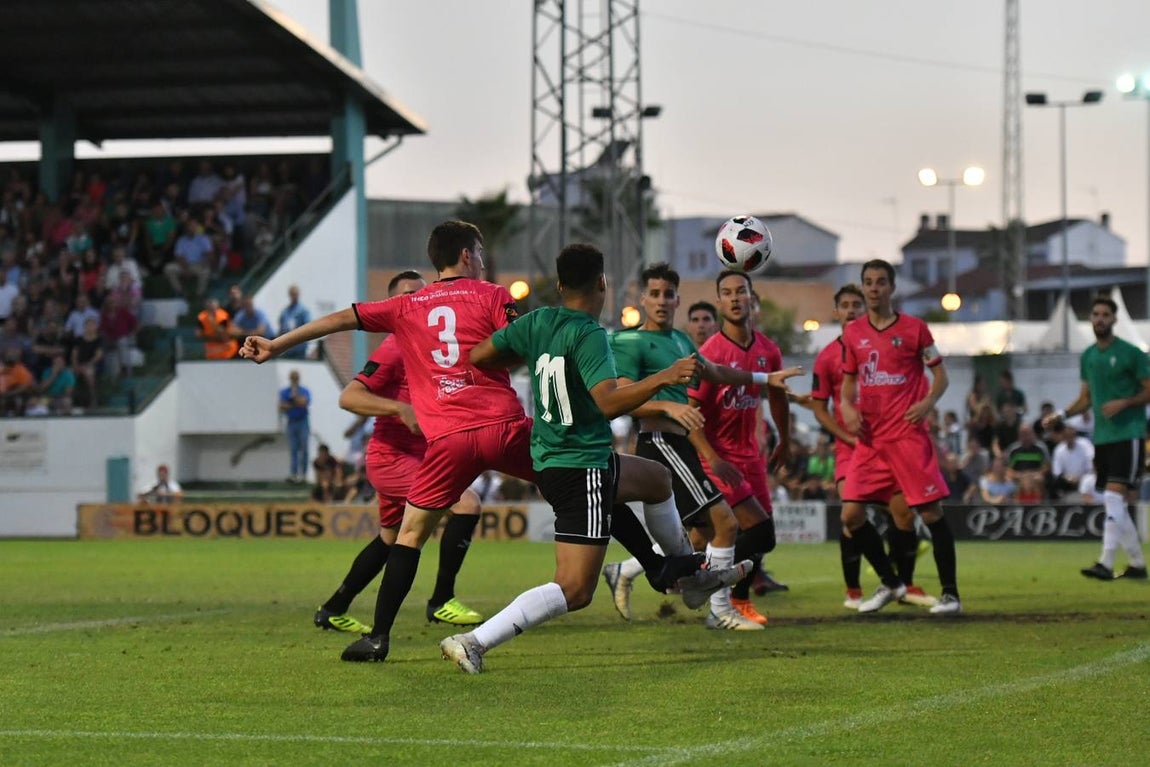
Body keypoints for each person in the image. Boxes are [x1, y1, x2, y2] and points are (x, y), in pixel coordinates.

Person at [243, 223, 727, 663]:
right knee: (591, 471)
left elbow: (340, 320)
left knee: (410, 535)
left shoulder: (405, 305)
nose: (481, 260)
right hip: (503, 427)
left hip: (448, 440)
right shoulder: (493, 295)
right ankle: (658, 567)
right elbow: (510, 345)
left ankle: (378, 637)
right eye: (479, 252)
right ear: (467, 254)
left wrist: (276, 343)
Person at [439, 243, 799, 673]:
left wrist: (535, 352)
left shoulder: (538, 320)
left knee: (656, 479)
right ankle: (475, 641)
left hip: (559, 457)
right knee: (574, 589)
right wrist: (664, 378)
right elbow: (609, 403)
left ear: (559, 285)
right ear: (602, 283)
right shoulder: (591, 334)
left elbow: (480, 355)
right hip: (580, 466)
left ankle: (689, 577)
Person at [602, 263, 794, 631]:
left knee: (700, 534)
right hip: (661, 442)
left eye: (668, 294)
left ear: (678, 300)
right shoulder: (628, 341)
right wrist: (667, 406)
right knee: (726, 523)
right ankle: (719, 609)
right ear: (642, 299)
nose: (662, 301)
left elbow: (716, 372)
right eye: (654, 294)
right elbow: (622, 398)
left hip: (680, 445)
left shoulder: (680, 341)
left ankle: (640, 574)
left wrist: (764, 377)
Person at [313, 270, 486, 635]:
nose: (416, 300)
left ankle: (333, 608)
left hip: (420, 457)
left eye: (420, 294)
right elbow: (349, 397)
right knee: (467, 504)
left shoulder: (433, 345)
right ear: (393, 304)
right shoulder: (394, 347)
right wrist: (399, 409)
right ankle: (441, 600)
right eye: (407, 295)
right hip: (391, 458)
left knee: (389, 538)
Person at [838, 260, 963, 615]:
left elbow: (941, 376)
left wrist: (927, 403)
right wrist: (847, 408)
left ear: (892, 288)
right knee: (850, 515)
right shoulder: (853, 333)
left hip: (908, 436)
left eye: (880, 282)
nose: (874, 288)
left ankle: (951, 595)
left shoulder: (915, 329)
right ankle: (892, 582)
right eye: (868, 282)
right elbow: (848, 384)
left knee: (931, 513)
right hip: (871, 441)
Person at [807, 284, 936, 610]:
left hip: (887, 443)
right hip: (850, 448)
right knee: (851, 516)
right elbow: (820, 409)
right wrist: (847, 436)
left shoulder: (884, 346)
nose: (851, 310)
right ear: (836, 312)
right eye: (845, 305)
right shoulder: (826, 357)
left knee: (903, 514)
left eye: (857, 304)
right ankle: (857, 589)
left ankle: (903, 584)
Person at [684, 269, 794, 625]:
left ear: (752, 298)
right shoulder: (710, 353)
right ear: (719, 302)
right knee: (757, 532)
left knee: (756, 538)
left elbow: (777, 397)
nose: (734, 298)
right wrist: (712, 458)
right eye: (727, 293)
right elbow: (690, 414)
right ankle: (721, 598)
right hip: (717, 459)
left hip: (751, 457)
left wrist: (785, 438)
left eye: (740, 291)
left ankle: (721, 591)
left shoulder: (768, 350)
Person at [1044, 294, 1150, 580]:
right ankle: (1137, 565)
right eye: (1096, 314)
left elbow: (1149, 389)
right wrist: (1061, 415)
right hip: (1102, 437)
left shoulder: (1131, 353)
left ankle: (1106, 563)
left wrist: (1125, 402)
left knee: (1114, 498)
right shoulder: (1088, 356)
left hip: (1128, 433)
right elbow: (1085, 399)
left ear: (1114, 319)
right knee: (1114, 502)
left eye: (1105, 314)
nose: (1100, 319)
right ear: (1090, 319)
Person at [1003, 423, 1052, 503]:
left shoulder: (1041, 447)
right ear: (1019, 436)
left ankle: (1038, 504)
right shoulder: (1013, 449)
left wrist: (1035, 474)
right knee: (1009, 480)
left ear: (1033, 434)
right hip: (1018, 476)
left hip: (1035, 475)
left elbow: (1047, 466)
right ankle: (1016, 506)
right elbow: (1008, 469)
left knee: (1040, 479)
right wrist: (1019, 475)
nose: (1026, 437)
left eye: (1028, 434)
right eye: (1023, 434)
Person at [279, 370, 310, 483]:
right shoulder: (285, 391)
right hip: (291, 421)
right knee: (294, 449)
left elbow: (304, 403)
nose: (294, 380)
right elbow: (282, 406)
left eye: (296, 378)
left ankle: (303, 475)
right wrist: (296, 402)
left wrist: (293, 399)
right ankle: (294, 474)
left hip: (303, 421)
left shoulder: (304, 391)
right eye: (293, 378)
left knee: (304, 448)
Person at [1051, 425, 1095, 501]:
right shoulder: (1059, 449)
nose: (1069, 437)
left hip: (1085, 478)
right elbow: (1057, 472)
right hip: (1067, 482)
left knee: (1090, 479)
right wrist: (1069, 478)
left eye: (1071, 435)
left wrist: (1080, 479)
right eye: (1066, 435)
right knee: (1054, 482)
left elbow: (1091, 466)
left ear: (1075, 434)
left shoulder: (1085, 444)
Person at [278, 285, 311, 359]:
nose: (294, 296)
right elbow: (281, 328)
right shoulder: (285, 312)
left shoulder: (303, 311)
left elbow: (308, 327)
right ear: (290, 295)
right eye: (292, 294)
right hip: (287, 349)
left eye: (296, 294)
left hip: (300, 349)